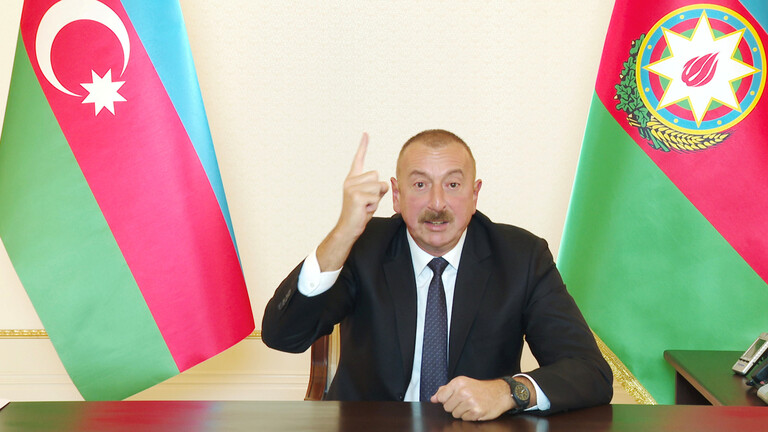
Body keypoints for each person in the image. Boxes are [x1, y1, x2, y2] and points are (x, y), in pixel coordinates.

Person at [262, 130, 612, 421]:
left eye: (453, 185)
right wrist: (344, 231)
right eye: (420, 185)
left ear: (474, 195)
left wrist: (508, 391)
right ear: (396, 196)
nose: (437, 203)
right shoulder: (363, 247)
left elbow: (590, 371)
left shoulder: (521, 257)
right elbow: (283, 336)